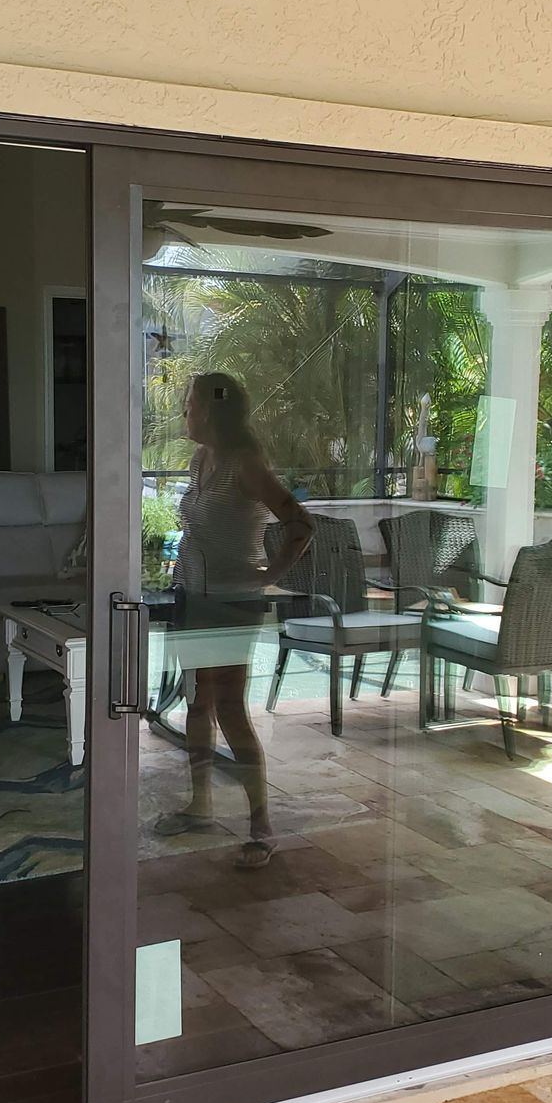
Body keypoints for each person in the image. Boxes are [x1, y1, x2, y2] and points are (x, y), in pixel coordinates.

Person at [153, 372, 313, 868]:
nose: (184, 412)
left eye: (191, 405)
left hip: (231, 603)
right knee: (198, 705)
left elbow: (299, 523)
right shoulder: (203, 459)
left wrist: (271, 572)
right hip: (192, 597)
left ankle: (260, 825)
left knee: (229, 708)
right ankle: (200, 806)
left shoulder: (245, 465)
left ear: (213, 413)